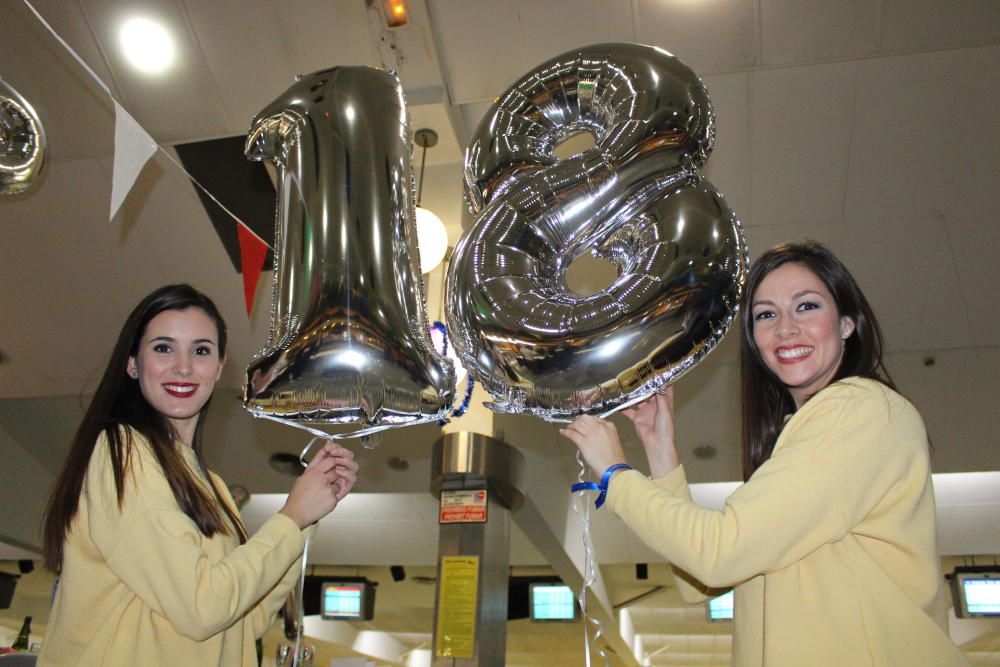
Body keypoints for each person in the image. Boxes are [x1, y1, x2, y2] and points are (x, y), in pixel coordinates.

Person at [561, 241, 969, 666]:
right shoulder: (803, 435)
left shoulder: (860, 409)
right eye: (766, 314)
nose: (785, 328)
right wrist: (658, 445)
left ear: (847, 323)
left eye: (807, 306)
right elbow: (699, 582)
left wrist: (615, 474)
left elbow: (718, 554)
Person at [38, 284, 358, 667]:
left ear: (220, 366)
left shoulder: (212, 485)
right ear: (132, 364)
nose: (183, 367)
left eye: (201, 350)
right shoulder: (122, 451)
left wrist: (308, 517)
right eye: (163, 348)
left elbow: (243, 622)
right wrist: (292, 517)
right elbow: (201, 609)